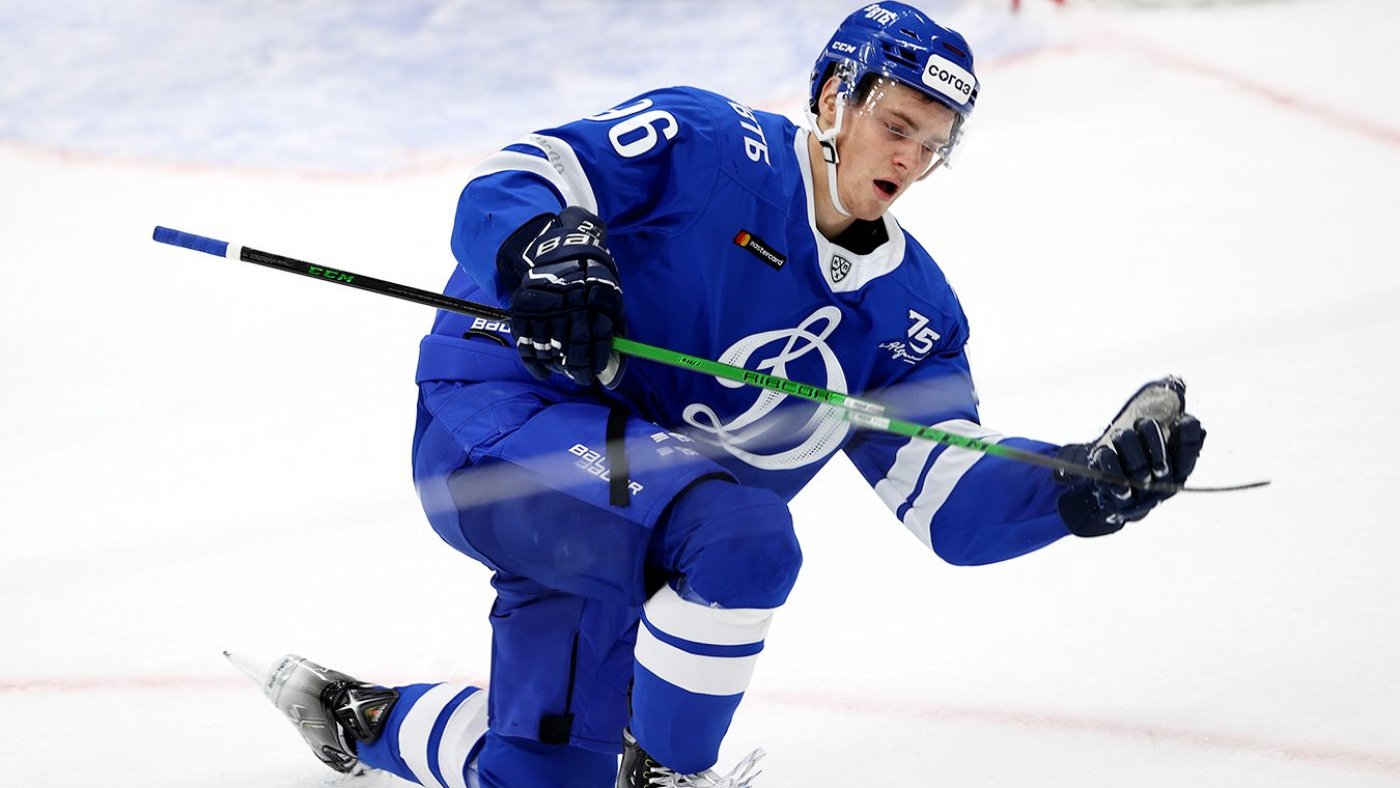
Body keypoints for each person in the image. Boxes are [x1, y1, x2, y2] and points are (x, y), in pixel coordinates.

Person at [232, 3, 1206, 787]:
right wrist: (546, 249)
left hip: (632, 510)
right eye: (896, 125)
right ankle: (669, 772)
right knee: (741, 536)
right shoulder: (708, 146)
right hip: (503, 422)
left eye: (933, 143)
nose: (910, 159)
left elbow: (950, 500)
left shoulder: (910, 312)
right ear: (833, 97)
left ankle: (363, 719)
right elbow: (522, 172)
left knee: (551, 772)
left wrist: (1081, 487)